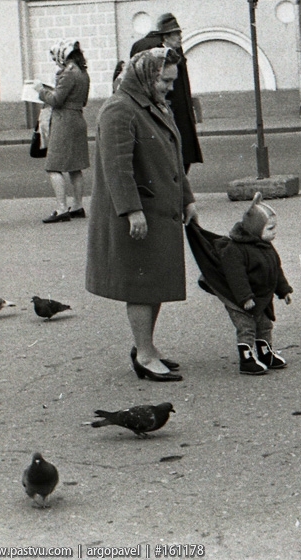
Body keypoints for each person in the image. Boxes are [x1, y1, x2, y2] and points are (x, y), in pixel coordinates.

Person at [86, 48, 198, 382]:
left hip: (160, 210)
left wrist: (187, 199)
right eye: (164, 80)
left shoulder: (154, 105)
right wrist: (132, 211)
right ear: (146, 76)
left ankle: (147, 346)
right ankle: (145, 355)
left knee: (157, 282)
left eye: (172, 81)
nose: (169, 88)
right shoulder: (119, 109)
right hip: (139, 215)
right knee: (141, 285)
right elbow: (117, 168)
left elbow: (174, 160)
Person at [211, 193, 293, 375]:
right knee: (246, 327)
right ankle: (247, 359)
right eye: (270, 229)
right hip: (241, 300)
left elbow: (276, 270)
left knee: (264, 325)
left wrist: (284, 290)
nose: (274, 232)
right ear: (255, 229)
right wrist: (244, 297)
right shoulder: (235, 250)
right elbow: (236, 276)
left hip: (261, 297)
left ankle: (265, 354)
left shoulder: (265, 247)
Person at [130, 13, 202, 173]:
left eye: (179, 33)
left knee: (184, 157)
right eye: (176, 33)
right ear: (166, 36)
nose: (180, 37)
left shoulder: (176, 53)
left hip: (181, 113)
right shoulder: (159, 56)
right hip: (168, 112)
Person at [35, 39, 90, 223]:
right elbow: (82, 101)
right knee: (75, 167)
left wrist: (41, 91)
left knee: (53, 166)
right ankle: (77, 205)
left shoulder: (68, 73)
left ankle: (61, 209)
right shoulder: (83, 73)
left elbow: (57, 100)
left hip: (63, 121)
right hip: (78, 118)